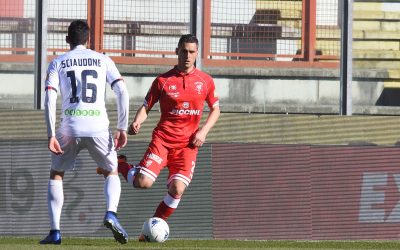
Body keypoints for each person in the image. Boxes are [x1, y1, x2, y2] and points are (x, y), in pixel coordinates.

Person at [119, 34, 220, 240]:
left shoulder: (205, 81)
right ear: (177, 51)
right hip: (162, 141)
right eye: (184, 51)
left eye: (192, 51)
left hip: (187, 146)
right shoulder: (163, 81)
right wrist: (138, 121)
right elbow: (146, 106)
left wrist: (203, 131)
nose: (187, 55)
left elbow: (216, 110)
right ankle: (119, 164)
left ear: (197, 53)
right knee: (143, 183)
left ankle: (150, 231)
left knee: (177, 188)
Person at [41, 20, 129, 245]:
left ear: (67, 39)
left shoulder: (57, 63)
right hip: (98, 126)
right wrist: (122, 126)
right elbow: (122, 91)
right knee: (111, 170)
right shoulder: (103, 59)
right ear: (88, 39)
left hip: (69, 127)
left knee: (57, 174)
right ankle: (111, 213)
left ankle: (55, 232)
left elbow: (50, 98)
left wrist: (51, 134)